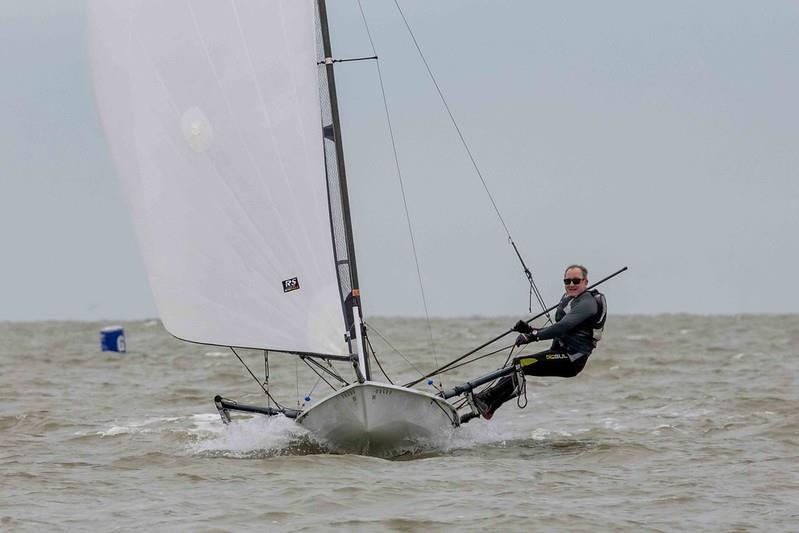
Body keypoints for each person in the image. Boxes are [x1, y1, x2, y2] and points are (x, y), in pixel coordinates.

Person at [473, 264, 606, 419]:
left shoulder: (588, 303)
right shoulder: (569, 300)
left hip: (571, 359)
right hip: (559, 353)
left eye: (576, 281)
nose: (571, 285)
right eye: (567, 281)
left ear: (585, 282)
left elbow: (563, 327)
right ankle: (489, 407)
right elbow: (558, 329)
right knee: (517, 364)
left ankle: (486, 399)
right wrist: (530, 329)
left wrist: (532, 336)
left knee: (519, 365)